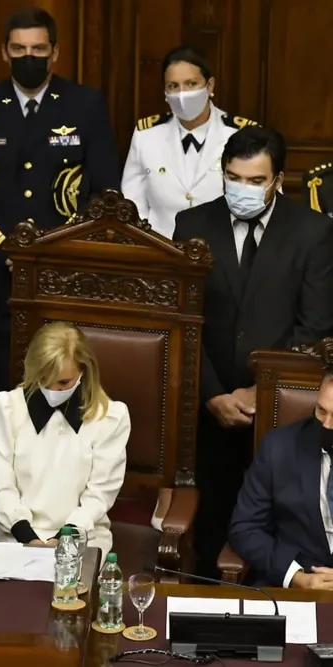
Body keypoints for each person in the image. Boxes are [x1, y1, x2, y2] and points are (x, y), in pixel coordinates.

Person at [173, 126, 333, 577]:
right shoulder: (191, 225)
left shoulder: (313, 232)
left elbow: (316, 326)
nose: (241, 189)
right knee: (209, 520)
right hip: (208, 404)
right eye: (232, 177)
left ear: (279, 180)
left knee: (271, 521)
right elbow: (185, 323)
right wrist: (213, 394)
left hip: (281, 408)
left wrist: (258, 392)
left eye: (255, 180)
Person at [0, 7, 119, 405]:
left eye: (38, 49)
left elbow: (104, 192)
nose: (29, 57)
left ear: (55, 52)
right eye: (20, 49)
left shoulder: (84, 104)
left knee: (65, 381)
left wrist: (55, 253)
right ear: (5, 53)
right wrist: (10, 252)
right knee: (2, 382)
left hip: (64, 271)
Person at [0, 322, 128, 554]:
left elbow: (99, 495)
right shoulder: (7, 408)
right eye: (44, 378)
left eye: (63, 382)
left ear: (84, 371)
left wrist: (63, 538)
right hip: (15, 537)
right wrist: (28, 538)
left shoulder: (110, 417)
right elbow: (2, 486)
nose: (53, 390)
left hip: (82, 538)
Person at [122, 46, 258, 238]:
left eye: (191, 83)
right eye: (173, 86)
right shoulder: (147, 135)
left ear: (209, 86)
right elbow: (132, 204)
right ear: (165, 91)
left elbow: (263, 203)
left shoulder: (242, 134)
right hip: (161, 251)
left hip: (226, 253)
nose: (182, 93)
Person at [229, 374, 333, 589]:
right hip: (298, 584)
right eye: (321, 411)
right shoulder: (279, 448)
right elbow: (245, 528)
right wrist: (296, 577)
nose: (327, 424)